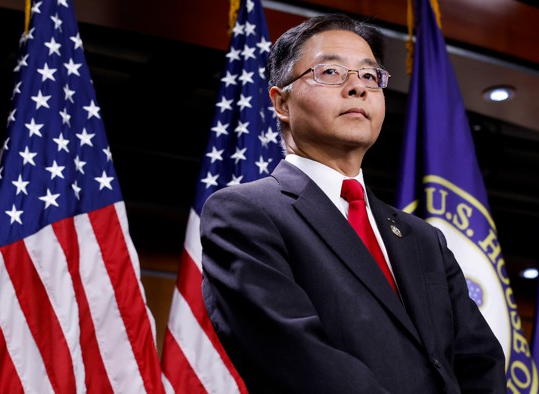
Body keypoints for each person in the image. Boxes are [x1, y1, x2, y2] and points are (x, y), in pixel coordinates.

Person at [200, 13, 505, 393]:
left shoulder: (422, 237)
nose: (357, 88)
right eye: (330, 72)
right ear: (281, 103)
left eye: (369, 76)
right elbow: (301, 362)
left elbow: (480, 360)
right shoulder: (245, 213)